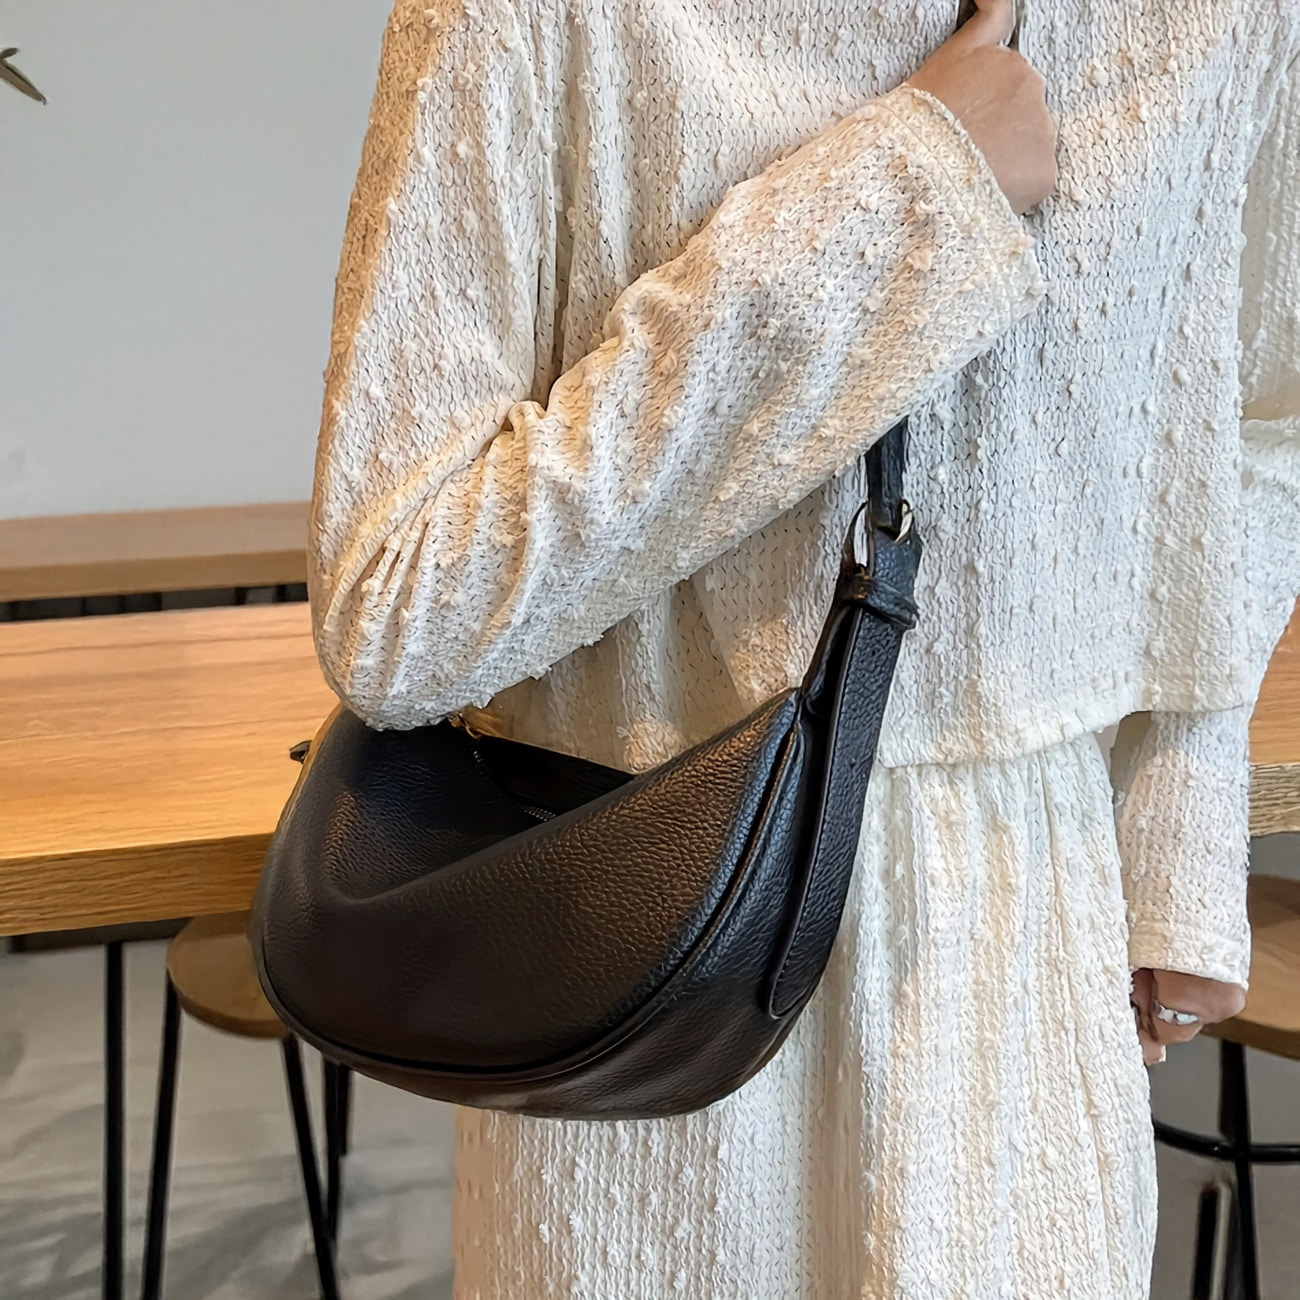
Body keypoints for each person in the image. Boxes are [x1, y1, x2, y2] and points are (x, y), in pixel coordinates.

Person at [307, 0, 1299, 1295]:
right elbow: (396, 606)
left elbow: (1253, 422)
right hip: (636, 957)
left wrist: (1179, 818)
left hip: (1022, 968)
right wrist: (912, 198)